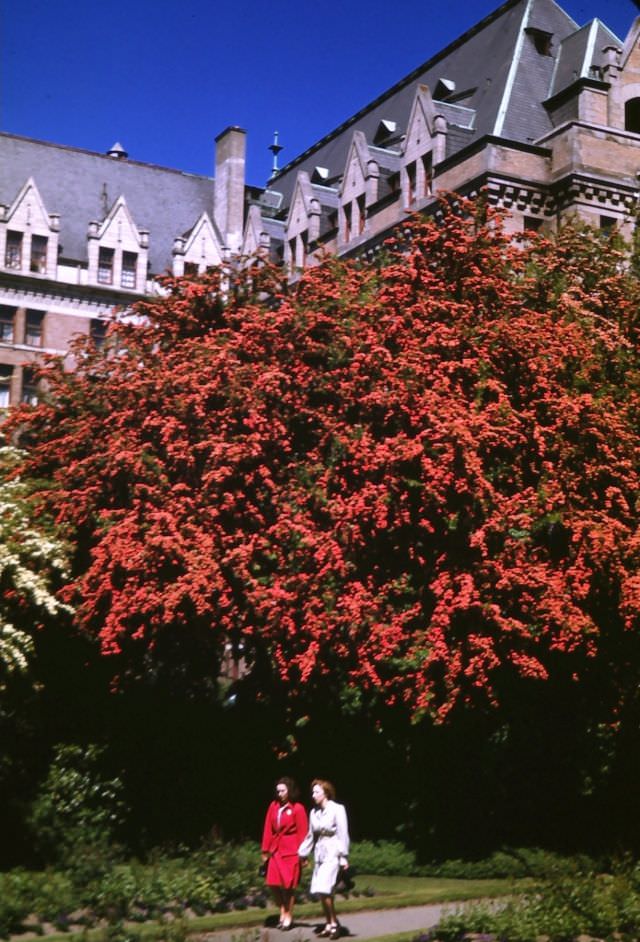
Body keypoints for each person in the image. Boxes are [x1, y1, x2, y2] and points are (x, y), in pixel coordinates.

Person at [298, 779, 350, 939]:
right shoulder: (314, 812)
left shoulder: (337, 809)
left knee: (324, 888)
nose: (313, 795)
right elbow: (310, 835)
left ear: (326, 793)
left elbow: (343, 833)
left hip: (333, 852)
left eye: (317, 792)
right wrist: (303, 853)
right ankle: (328, 923)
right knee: (322, 892)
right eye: (312, 792)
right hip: (320, 853)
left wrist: (343, 857)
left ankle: (334, 924)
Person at [261, 777, 308, 930]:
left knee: (289, 886)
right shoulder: (273, 806)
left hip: (291, 851)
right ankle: (282, 908)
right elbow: (268, 828)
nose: (279, 793)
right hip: (275, 850)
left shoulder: (298, 808)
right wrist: (265, 850)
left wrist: (304, 855)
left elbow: (303, 833)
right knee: (272, 883)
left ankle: (288, 915)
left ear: (290, 791)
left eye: (283, 790)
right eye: (278, 790)